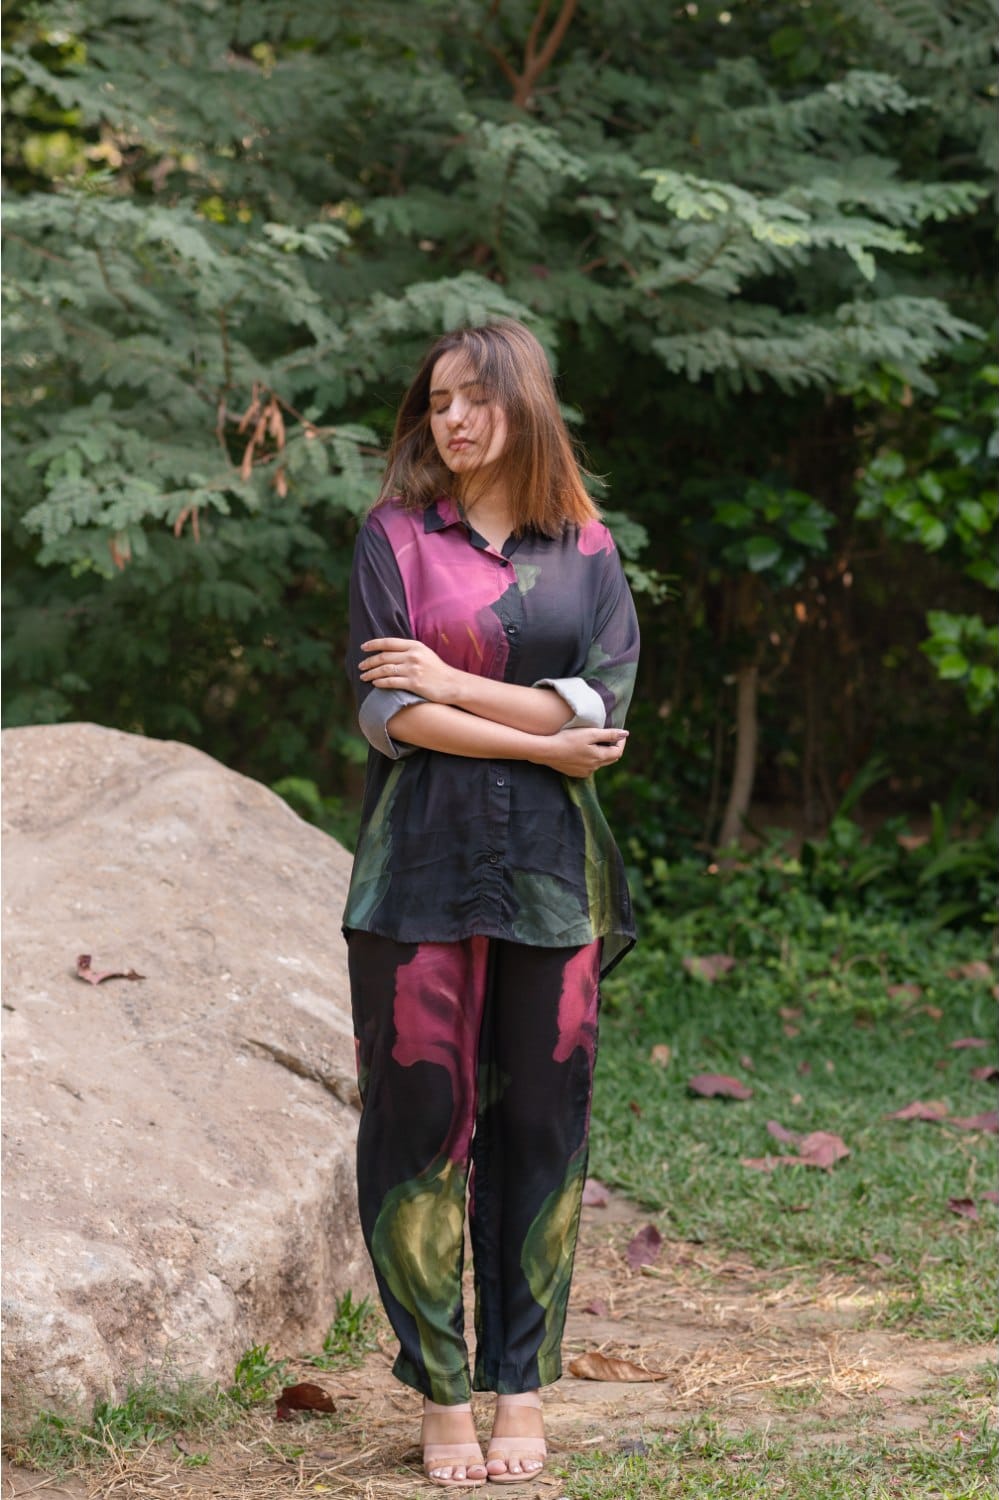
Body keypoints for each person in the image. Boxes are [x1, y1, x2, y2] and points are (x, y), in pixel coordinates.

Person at [343, 318, 639, 1487]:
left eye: (475, 398)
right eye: (437, 403)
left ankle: (520, 1385)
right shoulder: (394, 538)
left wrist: (454, 680)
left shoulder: (589, 551)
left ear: (524, 403)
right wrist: (539, 732)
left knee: (542, 1130)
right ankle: (441, 1394)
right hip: (415, 873)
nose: (453, 420)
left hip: (555, 883)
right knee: (417, 1125)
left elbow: (601, 710)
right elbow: (389, 716)